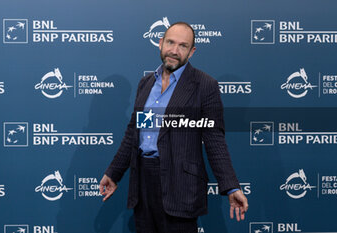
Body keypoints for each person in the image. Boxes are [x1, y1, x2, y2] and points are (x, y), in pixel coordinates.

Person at [99, 21, 248, 233]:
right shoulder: (147, 83)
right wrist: (114, 173)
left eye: (183, 46)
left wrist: (231, 186)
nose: (174, 50)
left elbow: (214, 140)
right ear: (160, 43)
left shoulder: (205, 86)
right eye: (170, 42)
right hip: (143, 184)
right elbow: (135, 132)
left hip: (181, 187)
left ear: (192, 51)